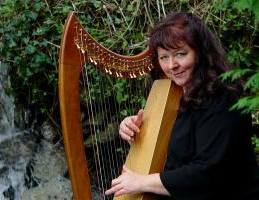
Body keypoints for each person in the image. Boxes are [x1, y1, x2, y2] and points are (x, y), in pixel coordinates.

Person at [105, 12, 259, 200]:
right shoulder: (175, 90)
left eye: (180, 54)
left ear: (200, 52)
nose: (171, 66)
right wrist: (136, 133)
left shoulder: (224, 97)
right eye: (163, 57)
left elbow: (207, 173)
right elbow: (177, 149)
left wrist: (142, 182)